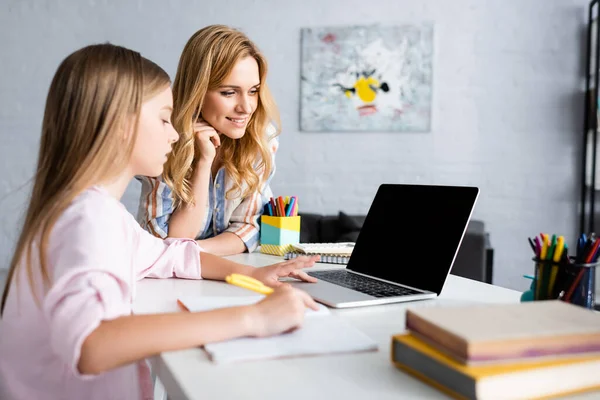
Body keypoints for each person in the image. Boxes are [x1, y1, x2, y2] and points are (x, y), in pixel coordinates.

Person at [0, 43, 318, 400]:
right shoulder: (88, 220)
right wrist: (253, 319)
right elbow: (92, 345)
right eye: (165, 119)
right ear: (121, 124)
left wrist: (250, 275)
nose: (174, 133)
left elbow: (170, 254)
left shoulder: (101, 213)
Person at [137, 24, 281, 256]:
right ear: (198, 91)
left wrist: (192, 252)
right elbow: (162, 239)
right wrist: (203, 163)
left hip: (226, 276)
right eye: (229, 92)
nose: (246, 107)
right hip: (165, 282)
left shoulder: (260, 140)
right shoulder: (164, 141)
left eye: (253, 91)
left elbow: (248, 229)